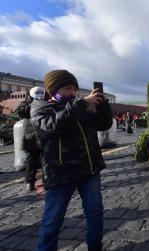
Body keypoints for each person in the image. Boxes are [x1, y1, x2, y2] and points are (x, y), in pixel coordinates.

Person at [31, 70, 112, 251]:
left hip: (88, 170)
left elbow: (103, 124)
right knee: (53, 219)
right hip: (60, 173)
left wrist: (102, 104)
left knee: (95, 213)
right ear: (54, 89)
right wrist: (82, 103)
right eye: (68, 88)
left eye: (75, 89)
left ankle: (95, 246)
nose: (73, 93)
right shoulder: (41, 107)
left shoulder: (77, 106)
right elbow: (53, 126)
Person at [15, 86, 45, 191]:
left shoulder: (45, 101)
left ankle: (46, 179)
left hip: (44, 135)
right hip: (31, 136)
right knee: (31, 160)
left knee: (45, 159)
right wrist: (34, 104)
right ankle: (30, 181)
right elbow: (20, 112)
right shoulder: (26, 102)